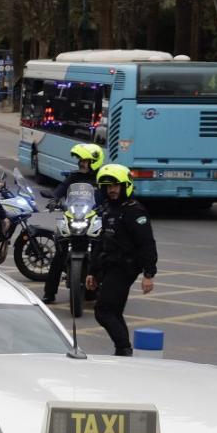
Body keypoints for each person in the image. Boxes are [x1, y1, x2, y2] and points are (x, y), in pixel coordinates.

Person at [86, 164, 157, 356]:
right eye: (108, 186)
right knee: (114, 311)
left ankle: (123, 348)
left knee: (103, 311)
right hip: (109, 266)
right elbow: (101, 242)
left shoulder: (134, 211)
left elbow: (147, 243)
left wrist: (148, 274)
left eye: (116, 186)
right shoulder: (109, 209)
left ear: (126, 186)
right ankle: (123, 349)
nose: (112, 190)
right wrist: (92, 272)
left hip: (125, 268)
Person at [42, 144, 104, 304]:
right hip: (74, 216)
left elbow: (110, 197)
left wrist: (107, 208)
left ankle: (99, 288)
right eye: (80, 160)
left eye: (85, 160)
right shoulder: (74, 177)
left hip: (94, 218)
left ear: (94, 161)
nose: (81, 163)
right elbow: (62, 189)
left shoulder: (102, 178)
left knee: (103, 251)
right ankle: (49, 292)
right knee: (60, 253)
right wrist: (54, 198)